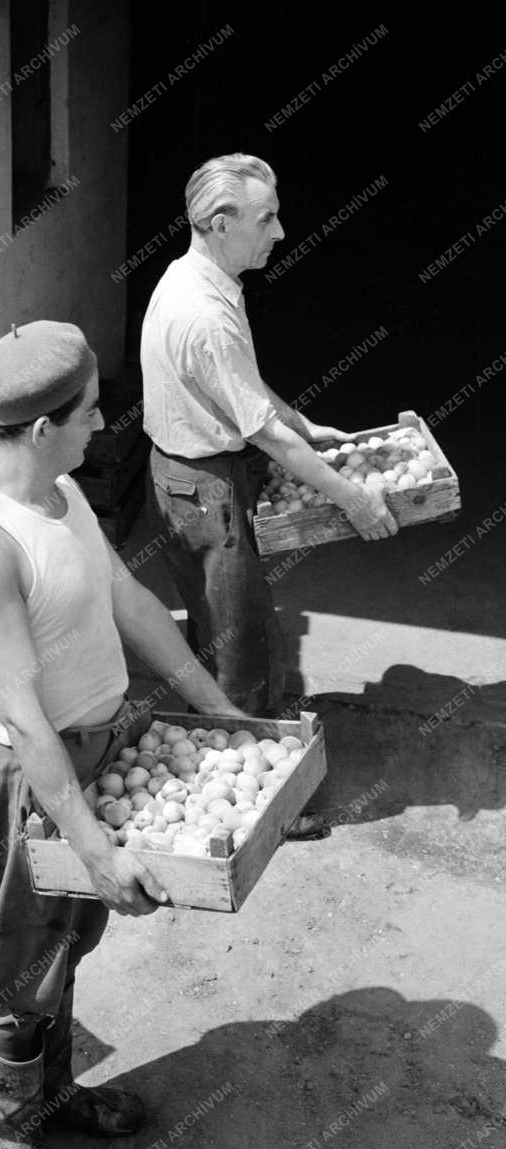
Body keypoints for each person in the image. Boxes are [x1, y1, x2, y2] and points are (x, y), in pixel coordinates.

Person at [0, 321, 245, 1149]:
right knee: (18, 971)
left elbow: (131, 601)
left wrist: (223, 710)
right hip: (31, 782)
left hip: (97, 760)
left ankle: (54, 1092)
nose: (105, 425)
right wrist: (94, 846)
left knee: (65, 948)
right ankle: (11, 1136)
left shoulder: (61, 492)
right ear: (41, 429)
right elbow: (23, 717)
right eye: (91, 412)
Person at [140, 153, 398, 724]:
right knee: (242, 646)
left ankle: (213, 725)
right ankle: (239, 743)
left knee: (215, 626)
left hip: (186, 478)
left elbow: (239, 386)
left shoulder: (195, 278)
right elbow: (271, 439)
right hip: (205, 488)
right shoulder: (205, 316)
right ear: (221, 223)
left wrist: (302, 423)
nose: (280, 232)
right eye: (266, 219)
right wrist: (354, 499)